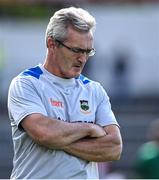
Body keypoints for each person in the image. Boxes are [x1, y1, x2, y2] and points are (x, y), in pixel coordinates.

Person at [8, 7, 122, 179]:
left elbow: (114, 148)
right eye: (76, 50)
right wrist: (90, 128)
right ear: (51, 44)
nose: (83, 59)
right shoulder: (26, 83)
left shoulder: (94, 90)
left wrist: (57, 139)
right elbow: (44, 132)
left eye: (87, 51)